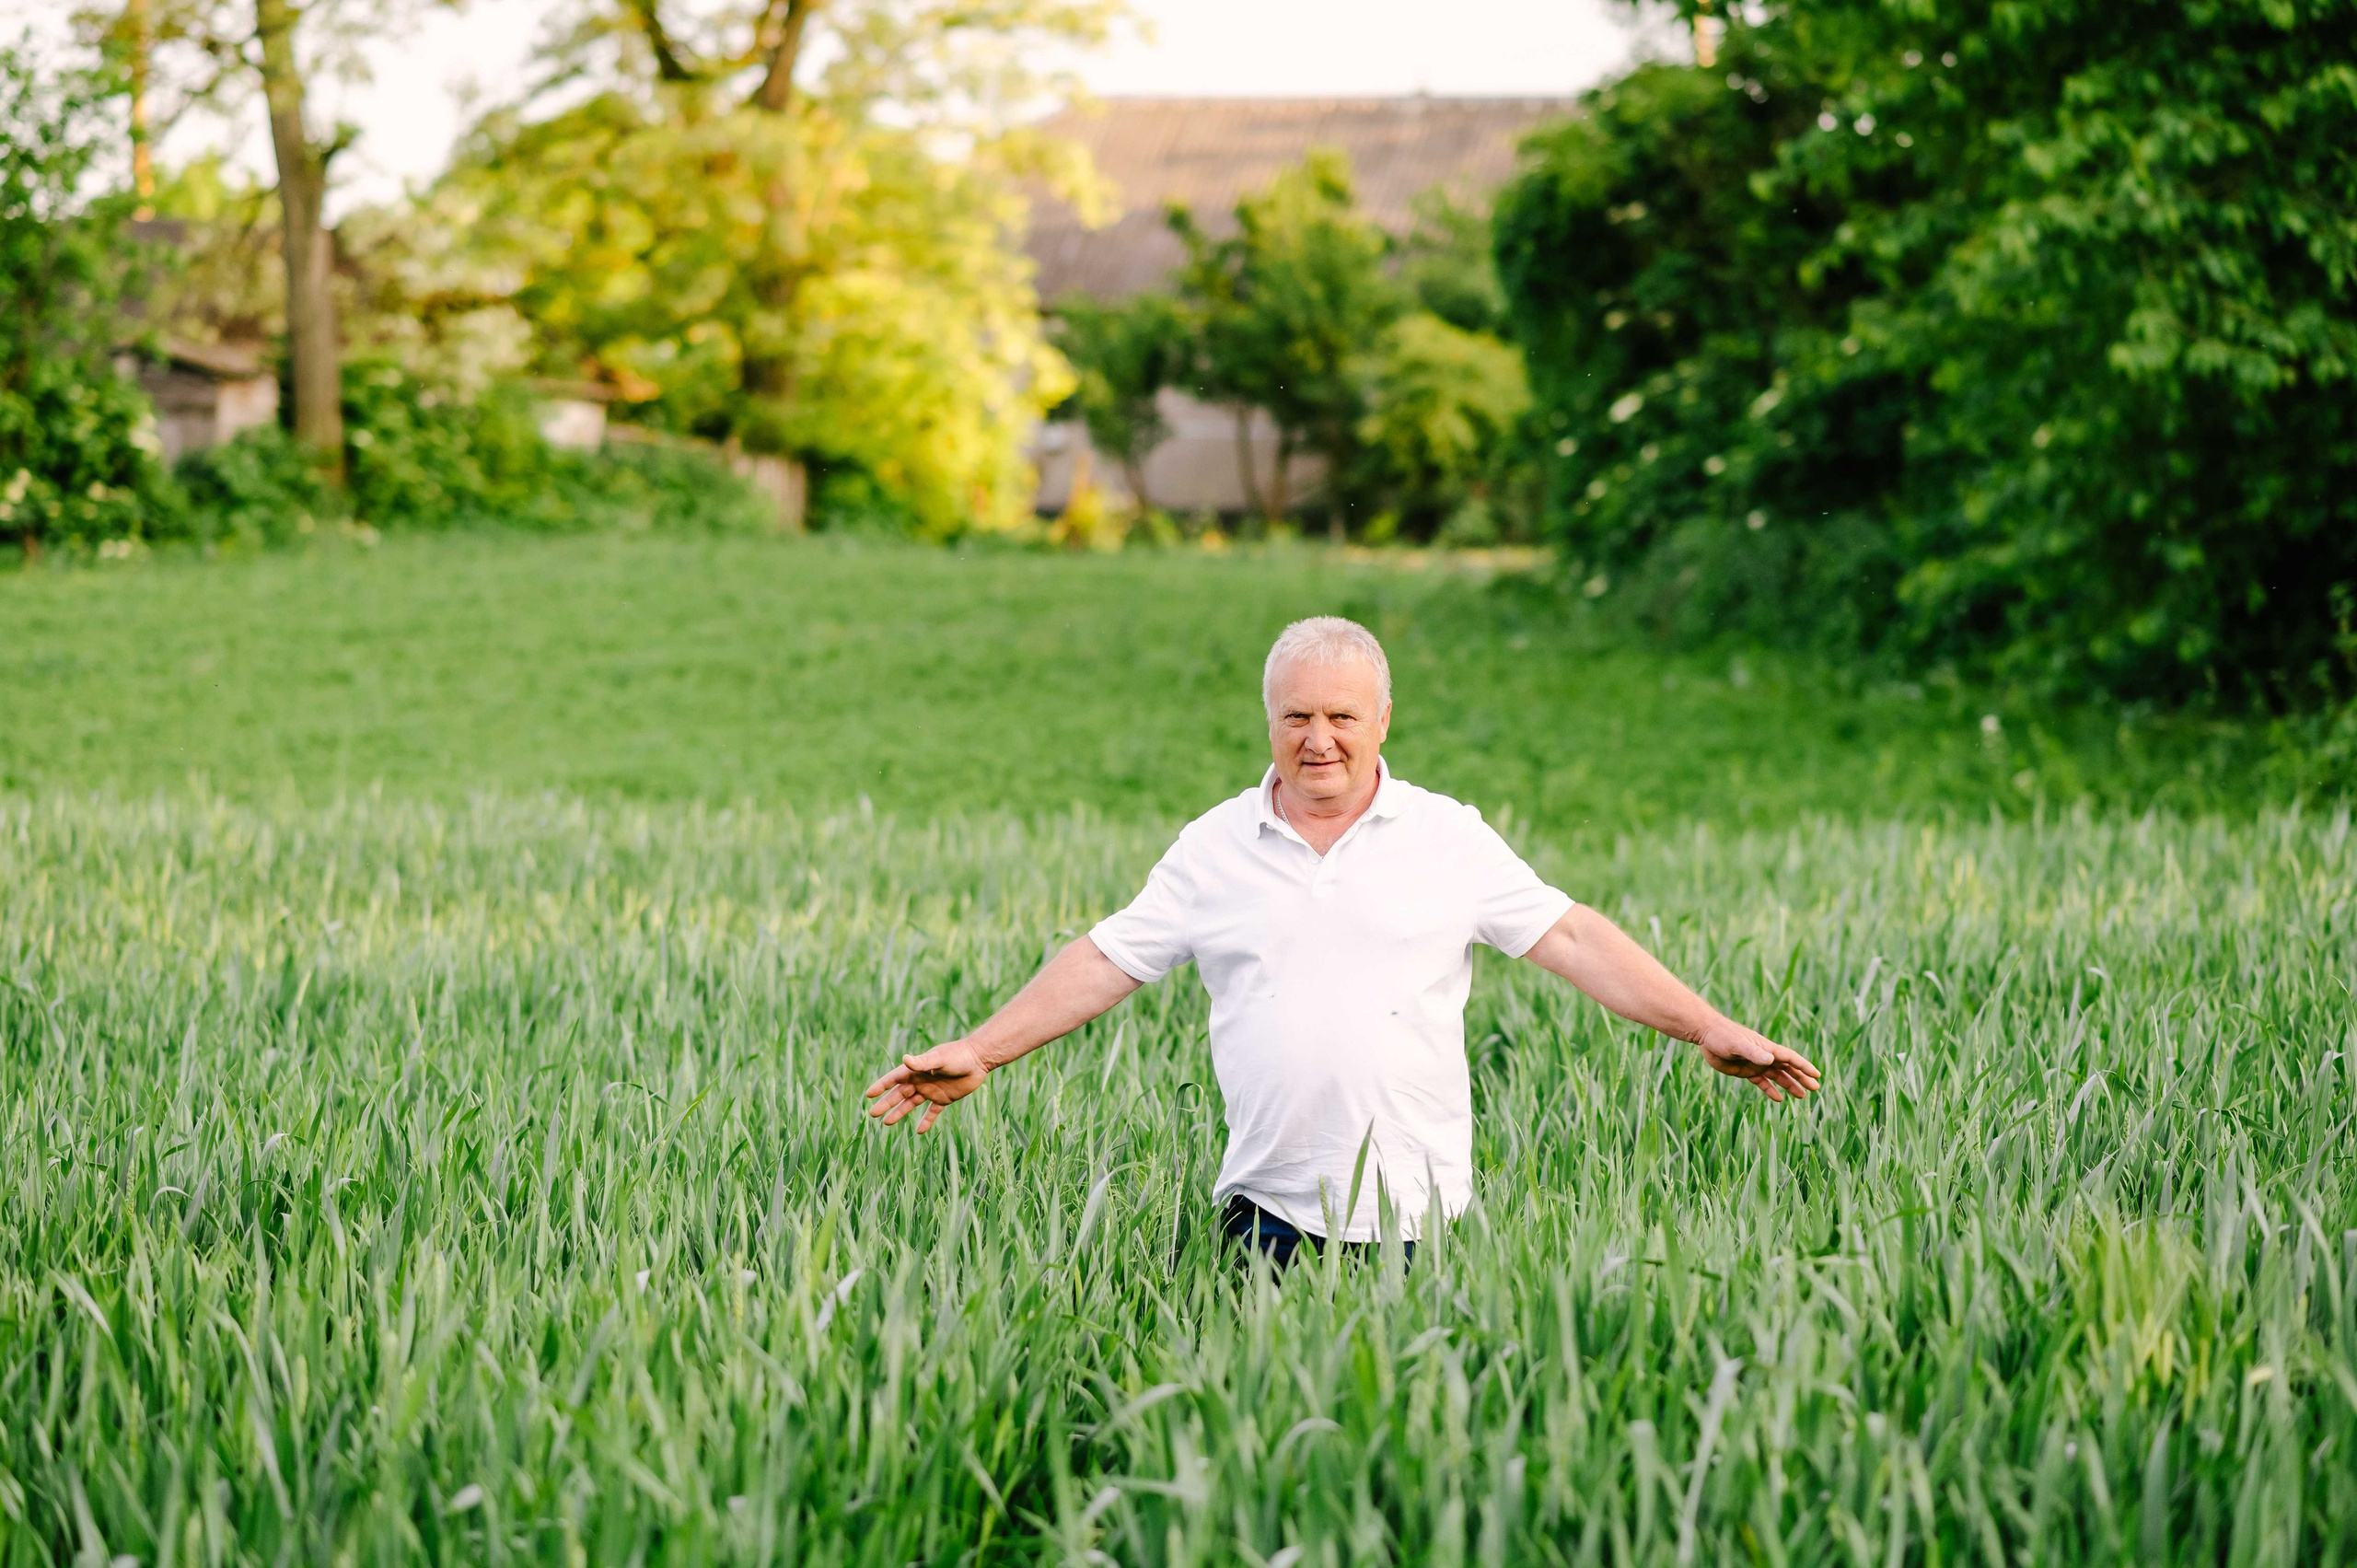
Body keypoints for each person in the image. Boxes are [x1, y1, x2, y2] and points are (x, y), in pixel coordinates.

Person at [864, 616, 1821, 1266]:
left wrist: (1704, 1025)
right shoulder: (1215, 846)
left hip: (1420, 1222)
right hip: (1265, 1212)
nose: (1318, 738)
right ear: (1270, 721)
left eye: (1341, 716)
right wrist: (980, 1047)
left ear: (1382, 721)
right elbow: (1106, 958)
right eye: (1298, 716)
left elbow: (1569, 936)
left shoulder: (1445, 834)